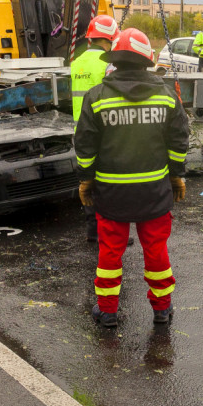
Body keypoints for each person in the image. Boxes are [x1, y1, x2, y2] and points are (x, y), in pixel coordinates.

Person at [75, 28, 190, 328]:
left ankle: (108, 312)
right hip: (154, 192)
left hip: (111, 193)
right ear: (146, 62)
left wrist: (86, 180)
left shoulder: (96, 97)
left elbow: (84, 146)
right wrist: (177, 177)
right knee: (156, 251)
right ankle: (162, 311)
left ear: (116, 61)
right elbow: (179, 142)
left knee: (110, 253)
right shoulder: (166, 98)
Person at [70, 14, 120, 243]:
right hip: (103, 129)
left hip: (80, 129)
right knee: (108, 181)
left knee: (87, 179)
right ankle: (109, 232)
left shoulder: (77, 61)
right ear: (108, 39)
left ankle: (92, 230)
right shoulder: (108, 63)